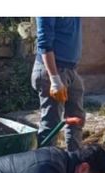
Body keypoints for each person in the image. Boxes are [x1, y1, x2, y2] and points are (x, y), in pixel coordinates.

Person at [31, 17, 85, 151]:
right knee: (51, 126)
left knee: (76, 120)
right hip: (52, 69)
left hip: (70, 69)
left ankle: (75, 161)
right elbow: (44, 43)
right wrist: (54, 79)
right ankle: (45, 165)